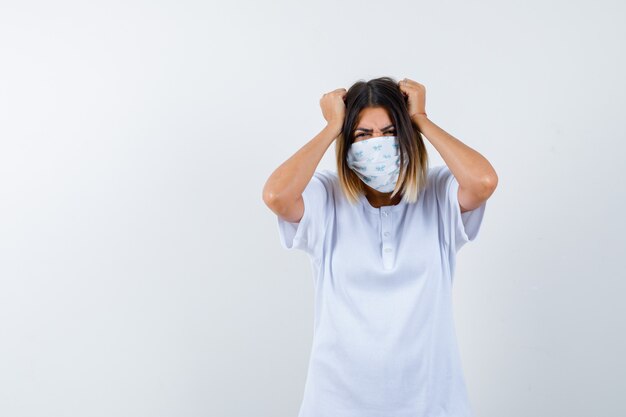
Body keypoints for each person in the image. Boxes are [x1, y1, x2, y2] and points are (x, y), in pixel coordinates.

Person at [262, 76, 498, 417]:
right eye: (362, 135)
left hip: (432, 404)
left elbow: (484, 182)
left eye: (390, 132)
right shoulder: (326, 198)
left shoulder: (438, 192)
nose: (378, 144)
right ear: (347, 144)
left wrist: (422, 119)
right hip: (336, 404)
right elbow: (277, 196)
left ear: (406, 138)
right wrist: (332, 126)